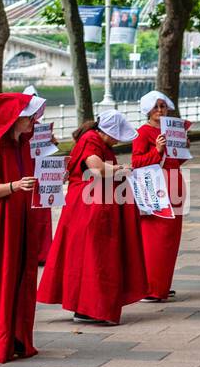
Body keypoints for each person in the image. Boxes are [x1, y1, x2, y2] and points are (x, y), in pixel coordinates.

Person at [39, 110, 147, 326]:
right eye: (116, 136)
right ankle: (93, 306)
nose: (117, 141)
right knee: (98, 256)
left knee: (87, 256)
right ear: (108, 132)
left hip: (90, 203)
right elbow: (97, 169)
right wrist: (121, 169)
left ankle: (85, 306)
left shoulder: (93, 139)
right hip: (91, 206)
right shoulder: (91, 140)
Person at [0, 91, 44, 362]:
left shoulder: (23, 146)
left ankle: (15, 335)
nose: (33, 120)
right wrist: (13, 187)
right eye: (27, 116)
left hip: (20, 220)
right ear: (14, 120)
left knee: (19, 278)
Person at [131, 90, 187, 303]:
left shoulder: (170, 130)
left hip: (175, 183)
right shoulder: (143, 132)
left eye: (163, 106)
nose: (160, 110)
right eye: (156, 107)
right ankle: (151, 287)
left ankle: (163, 284)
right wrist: (157, 150)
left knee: (171, 238)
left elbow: (175, 161)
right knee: (155, 239)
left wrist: (182, 149)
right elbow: (137, 162)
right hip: (154, 187)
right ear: (148, 110)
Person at [22, 85, 55, 265]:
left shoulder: (40, 128)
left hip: (40, 171)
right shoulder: (20, 128)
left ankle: (42, 251)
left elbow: (44, 152)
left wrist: (50, 142)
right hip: (27, 170)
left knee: (42, 212)